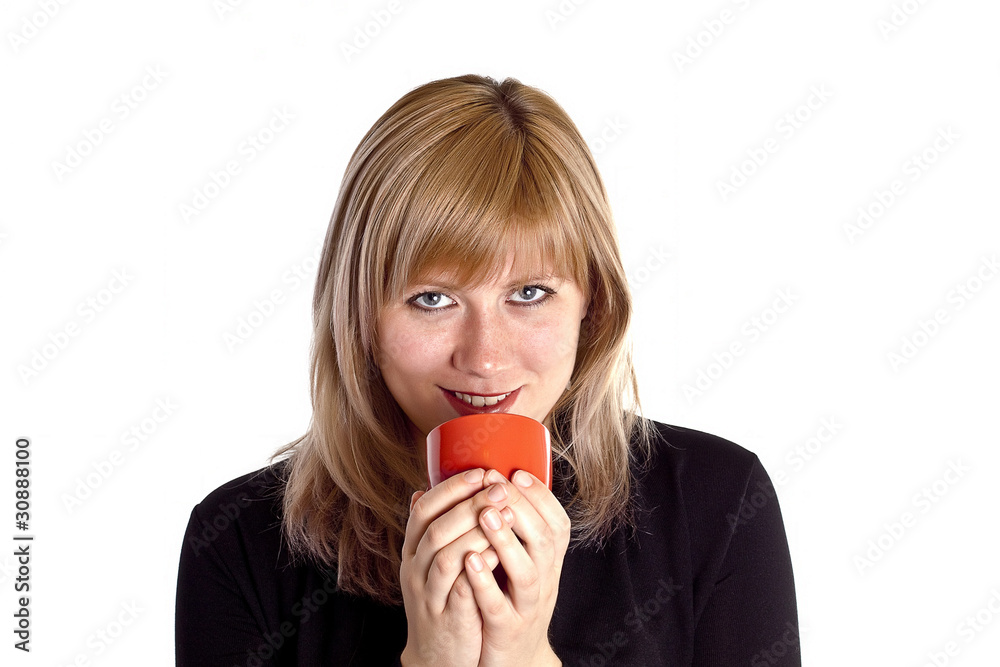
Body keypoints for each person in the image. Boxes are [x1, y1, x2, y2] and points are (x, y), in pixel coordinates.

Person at [175, 74, 800, 666]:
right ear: (360, 317)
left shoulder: (713, 501)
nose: (484, 359)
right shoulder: (239, 542)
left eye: (529, 293)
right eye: (432, 299)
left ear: (595, 303)